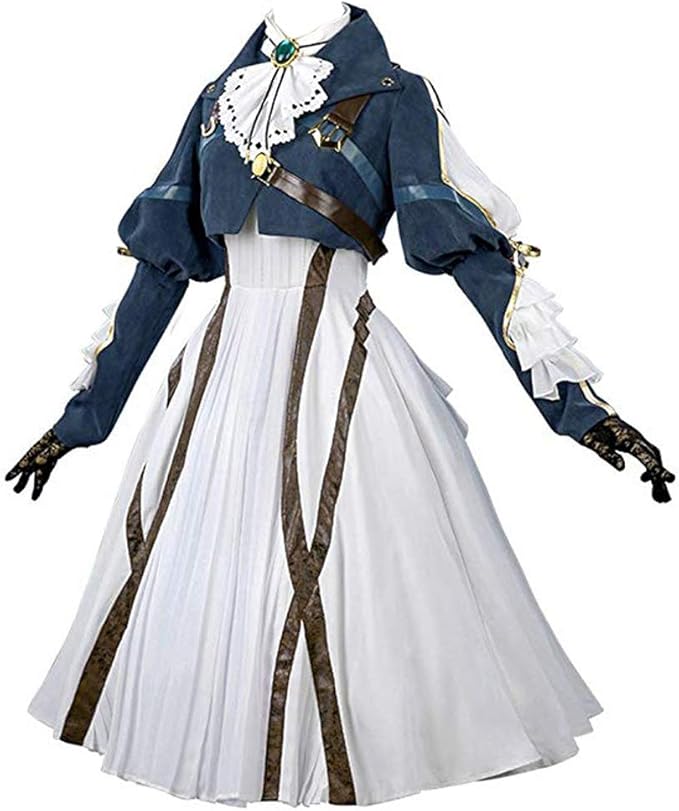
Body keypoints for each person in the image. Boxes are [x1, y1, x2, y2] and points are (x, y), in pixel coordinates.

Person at [8, 3, 674, 806]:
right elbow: (159, 271)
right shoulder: (217, 98)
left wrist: (579, 410)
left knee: (359, 575)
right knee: (206, 574)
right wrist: (78, 423)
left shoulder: (393, 94)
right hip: (219, 382)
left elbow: (470, 255)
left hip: (339, 361)